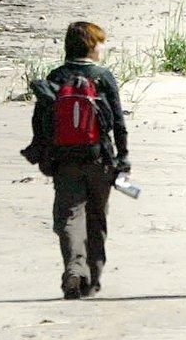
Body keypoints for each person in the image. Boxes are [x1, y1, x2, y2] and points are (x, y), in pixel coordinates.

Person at [23, 21, 130, 299]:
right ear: (92, 46)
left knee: (70, 216)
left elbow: (42, 120)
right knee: (97, 219)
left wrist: (42, 153)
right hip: (99, 158)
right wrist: (123, 157)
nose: (103, 48)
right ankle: (92, 281)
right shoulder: (102, 77)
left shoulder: (57, 75)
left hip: (65, 159)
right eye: (101, 42)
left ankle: (74, 269)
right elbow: (118, 121)